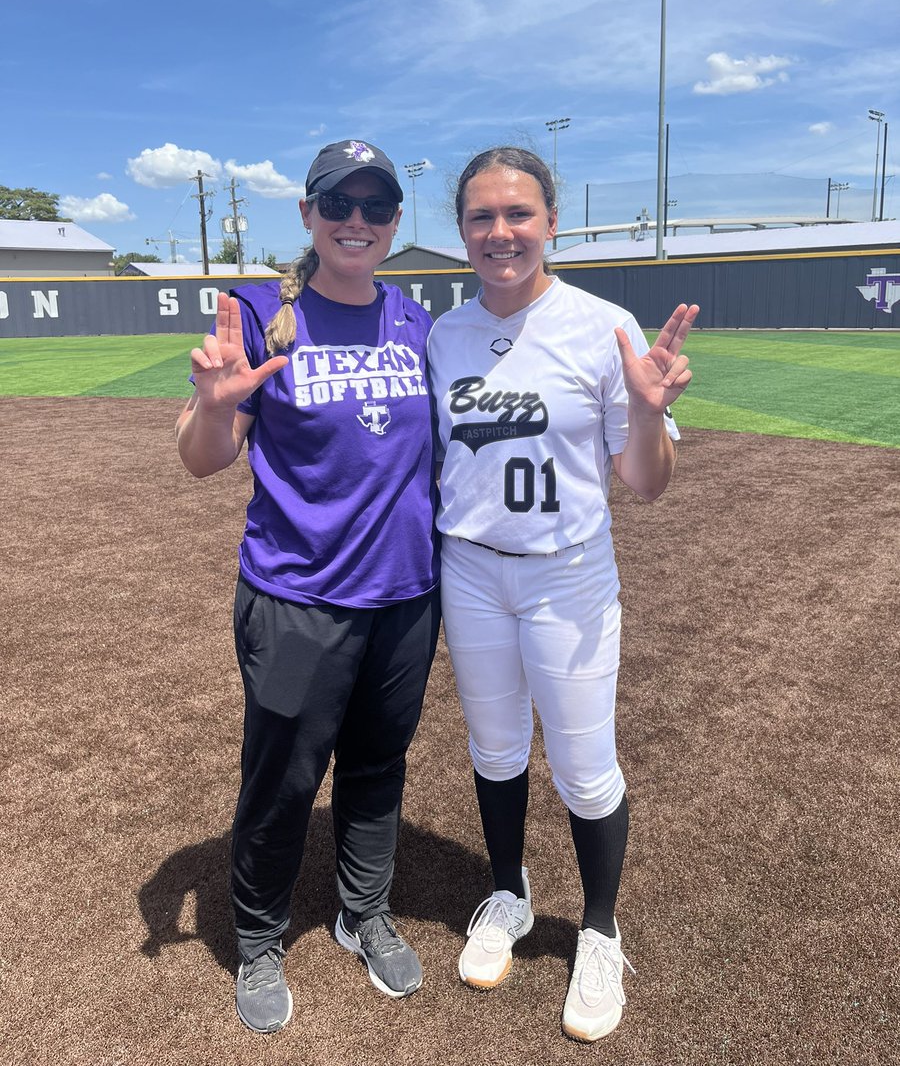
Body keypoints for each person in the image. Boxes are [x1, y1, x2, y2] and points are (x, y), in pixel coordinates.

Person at [426, 146, 698, 1043]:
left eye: (518, 215)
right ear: (461, 229)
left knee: (585, 767)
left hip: (567, 572)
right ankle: (507, 893)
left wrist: (650, 410)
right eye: (481, 217)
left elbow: (645, 483)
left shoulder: (601, 324)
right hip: (469, 568)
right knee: (496, 748)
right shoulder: (445, 334)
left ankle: (598, 928)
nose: (500, 233)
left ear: (552, 222)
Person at [175, 140, 441, 1034]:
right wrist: (214, 409)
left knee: (376, 765)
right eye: (339, 204)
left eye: (376, 207)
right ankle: (258, 936)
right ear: (308, 214)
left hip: (404, 596)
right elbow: (202, 461)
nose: (357, 221)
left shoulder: (414, 318)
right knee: (283, 780)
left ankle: (363, 914)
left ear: (396, 222)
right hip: (297, 596)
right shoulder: (257, 313)